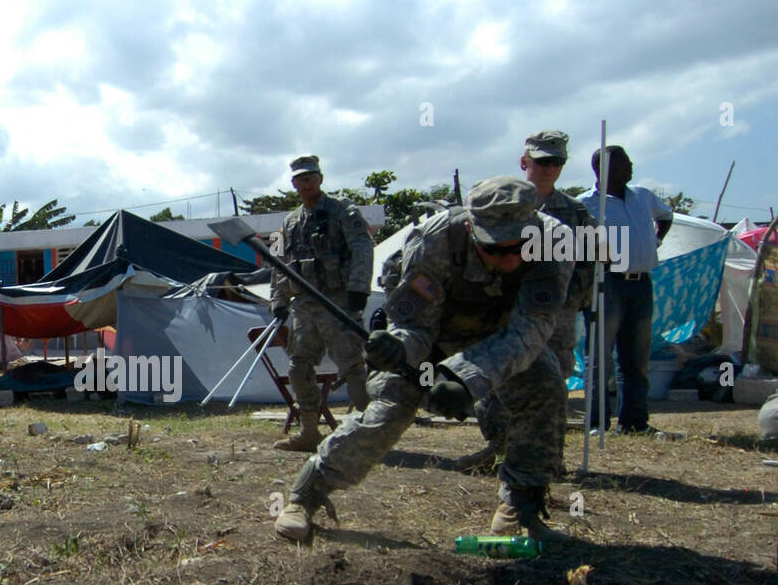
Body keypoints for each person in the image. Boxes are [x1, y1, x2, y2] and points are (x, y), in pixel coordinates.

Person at [274, 177, 573, 543]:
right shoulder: (435, 240)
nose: (509, 258)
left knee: (544, 382)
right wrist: (396, 349)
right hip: (432, 344)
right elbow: (417, 327)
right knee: (389, 409)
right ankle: (307, 494)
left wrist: (465, 379)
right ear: (470, 227)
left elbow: (533, 329)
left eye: (520, 246)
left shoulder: (555, 242)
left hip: (503, 341)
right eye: (496, 248)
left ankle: (522, 506)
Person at [456, 130, 597, 474]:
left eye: (557, 161)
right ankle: (500, 446)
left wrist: (582, 297)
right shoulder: (505, 206)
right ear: (525, 162)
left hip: (558, 309)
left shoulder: (576, 212)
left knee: (552, 379)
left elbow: (591, 258)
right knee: (499, 372)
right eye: (542, 161)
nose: (550, 168)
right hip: (509, 305)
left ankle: (548, 458)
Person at [270, 155, 374, 451]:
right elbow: (279, 263)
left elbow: (363, 248)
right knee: (298, 365)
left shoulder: (344, 210)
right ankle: (309, 431)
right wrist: (278, 299)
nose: (305, 183)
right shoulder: (288, 222)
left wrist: (358, 288)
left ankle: (369, 434)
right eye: (299, 179)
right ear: (293, 184)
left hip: (338, 300)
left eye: (310, 177)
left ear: (320, 178)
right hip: (304, 305)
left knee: (352, 365)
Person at [580, 145, 673, 434]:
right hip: (606, 284)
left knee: (636, 358)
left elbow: (666, 216)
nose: (631, 166)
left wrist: (655, 241)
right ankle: (597, 423)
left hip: (642, 283)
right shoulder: (585, 204)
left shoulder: (643, 196)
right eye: (624, 162)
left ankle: (634, 422)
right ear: (604, 169)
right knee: (599, 357)